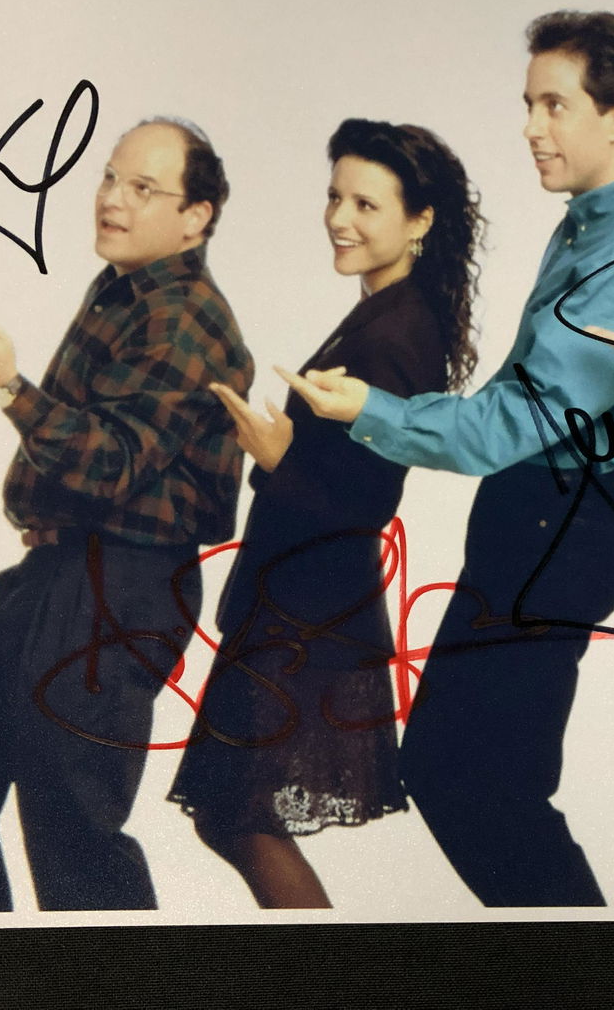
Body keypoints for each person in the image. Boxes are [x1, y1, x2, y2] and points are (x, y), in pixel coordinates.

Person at [283, 11, 614, 907]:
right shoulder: (594, 224)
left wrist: (370, 410)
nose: (530, 127)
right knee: (452, 773)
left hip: (558, 523)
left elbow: (509, 425)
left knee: (483, 787)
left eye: (554, 105)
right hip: (537, 520)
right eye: (528, 104)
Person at [0, 117, 253, 912]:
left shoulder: (185, 316)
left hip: (119, 587)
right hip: (56, 572)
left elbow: (108, 463)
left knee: (72, 834)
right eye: (110, 177)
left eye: (143, 188)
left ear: (196, 216)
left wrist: (8, 388)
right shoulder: (127, 288)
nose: (113, 199)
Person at [167, 118, 485, 909]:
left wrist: (280, 459)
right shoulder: (388, 312)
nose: (340, 218)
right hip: (300, 608)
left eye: (366, 205)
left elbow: (369, 499)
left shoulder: (399, 330)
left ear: (420, 221)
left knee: (239, 818)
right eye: (335, 197)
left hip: (308, 617)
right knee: (234, 816)